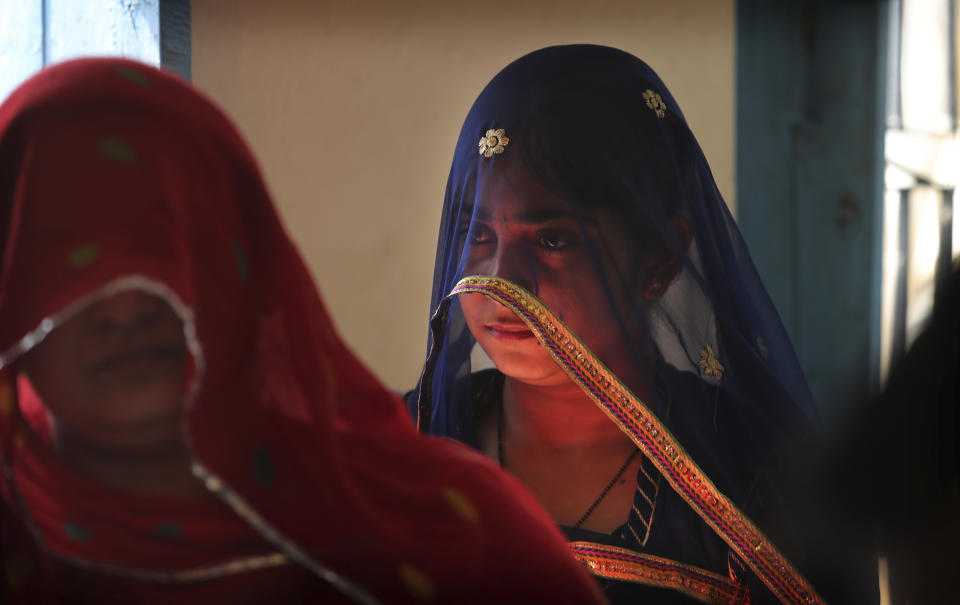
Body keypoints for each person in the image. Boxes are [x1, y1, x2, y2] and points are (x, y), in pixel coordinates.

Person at [0, 57, 605, 604]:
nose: (127, 307)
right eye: (71, 261)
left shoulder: (455, 533)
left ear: (247, 267)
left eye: (168, 245)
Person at [408, 45, 870, 604]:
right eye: (477, 235)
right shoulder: (400, 445)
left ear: (659, 258)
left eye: (552, 240)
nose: (501, 279)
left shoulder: (759, 480)